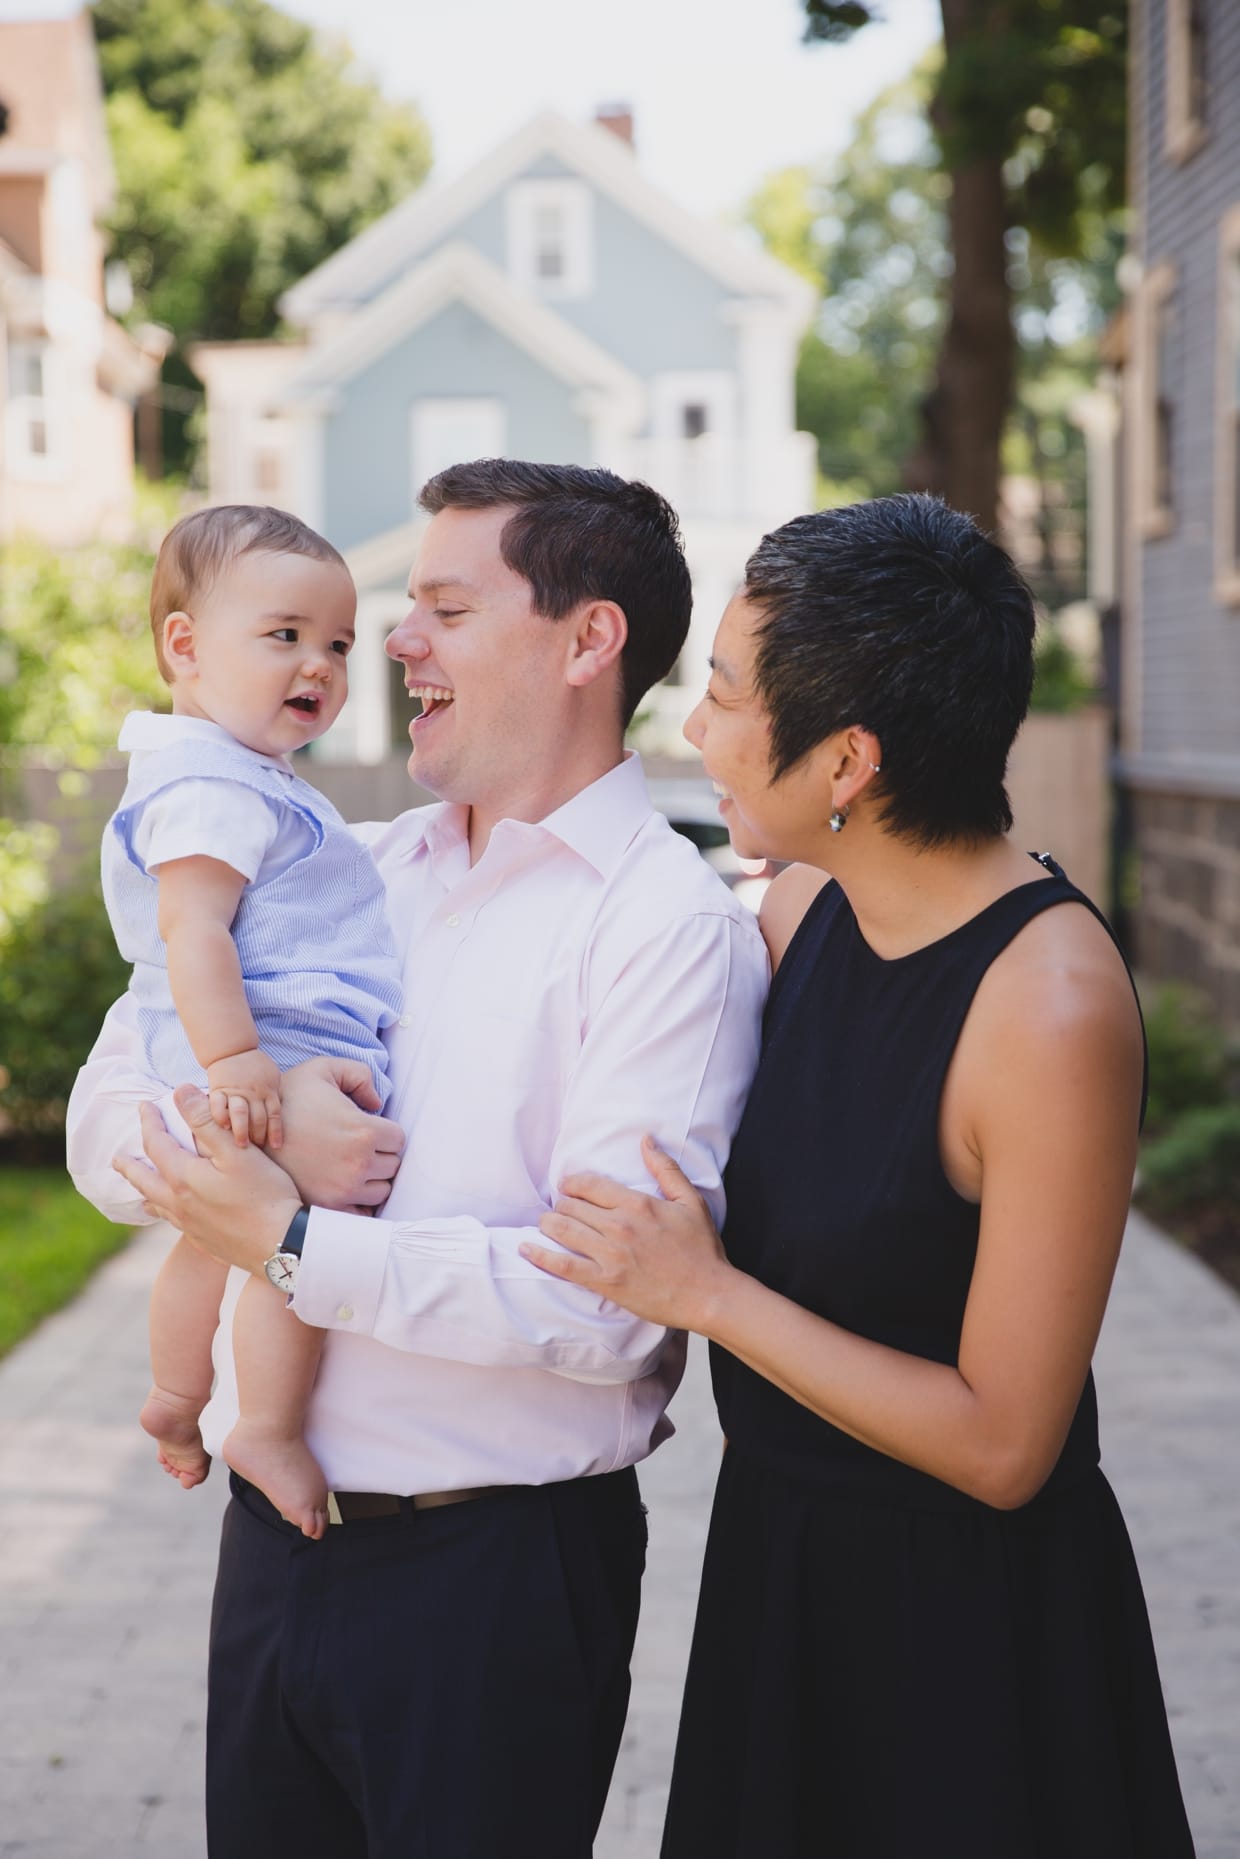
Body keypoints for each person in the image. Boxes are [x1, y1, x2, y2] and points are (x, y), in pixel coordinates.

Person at [68, 460, 768, 1859]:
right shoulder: (345, 863)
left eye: (442, 606)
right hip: (276, 1545)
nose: (390, 642)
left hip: (494, 1580)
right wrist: (247, 1129)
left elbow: (607, 1305)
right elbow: (105, 1113)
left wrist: (290, 1235)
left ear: (587, 640)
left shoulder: (667, 928)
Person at [521, 494, 1196, 1859]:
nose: (692, 730)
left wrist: (707, 1294)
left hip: (967, 1641)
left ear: (846, 759)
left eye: (719, 694)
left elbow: (1008, 1445)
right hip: (782, 1576)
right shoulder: (797, 907)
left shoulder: (1051, 1007)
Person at [103, 505, 402, 1541]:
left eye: (338, 643)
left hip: (259, 1060)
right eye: (283, 634)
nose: (317, 662)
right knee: (297, 1246)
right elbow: (191, 932)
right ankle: (264, 1423)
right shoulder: (209, 782)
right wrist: (240, 1061)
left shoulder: (245, 775)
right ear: (183, 645)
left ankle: (176, 1396)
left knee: (210, 1240)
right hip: (256, 1060)